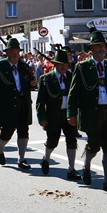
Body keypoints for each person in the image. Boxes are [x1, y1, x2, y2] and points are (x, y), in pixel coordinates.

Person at [68, 31, 107, 191]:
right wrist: (71, 113)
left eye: (102, 46)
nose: (100, 49)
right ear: (91, 49)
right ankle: (86, 166)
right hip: (91, 112)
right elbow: (73, 91)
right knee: (94, 145)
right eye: (97, 46)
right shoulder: (82, 67)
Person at [0, 38, 36, 169]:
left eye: (17, 51)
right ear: (7, 53)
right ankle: (0, 150)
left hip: (23, 103)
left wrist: (32, 84)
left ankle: (22, 159)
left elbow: (27, 85)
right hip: (6, 105)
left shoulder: (23, 66)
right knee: (7, 131)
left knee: (24, 131)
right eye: (12, 51)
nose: (15, 54)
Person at [36, 47, 79, 180]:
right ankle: (46, 158)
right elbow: (40, 102)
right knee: (52, 141)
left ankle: (71, 169)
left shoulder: (72, 77)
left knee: (72, 141)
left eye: (66, 65)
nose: (64, 67)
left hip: (68, 114)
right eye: (61, 65)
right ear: (55, 65)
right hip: (53, 115)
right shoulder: (46, 79)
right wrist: (41, 117)